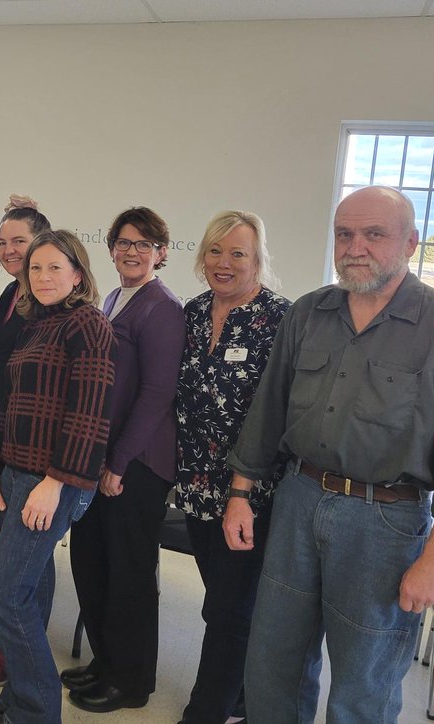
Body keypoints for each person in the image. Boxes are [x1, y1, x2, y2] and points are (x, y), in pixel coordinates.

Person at [225, 186, 434, 722]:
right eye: (345, 234)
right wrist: (240, 494)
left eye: (375, 234)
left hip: (385, 523)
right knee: (273, 658)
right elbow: (268, 412)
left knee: (363, 678)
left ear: (411, 243)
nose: (356, 247)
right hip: (299, 502)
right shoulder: (308, 314)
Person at [0, 229, 116, 724]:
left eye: (55, 267)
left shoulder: (87, 325)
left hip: (54, 480)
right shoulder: (36, 325)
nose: (43, 276)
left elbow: (90, 414)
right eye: (36, 268)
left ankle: (34, 712)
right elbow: (10, 408)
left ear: (78, 273)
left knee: (8, 594)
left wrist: (55, 482)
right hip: (14, 472)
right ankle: (17, 696)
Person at [65, 206, 185, 713]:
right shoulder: (115, 297)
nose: (132, 251)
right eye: (123, 242)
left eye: (144, 244)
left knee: (129, 573)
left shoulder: (162, 307)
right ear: (111, 248)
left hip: (135, 465)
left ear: (161, 253)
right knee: (93, 562)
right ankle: (106, 660)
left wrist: (117, 462)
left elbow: (158, 393)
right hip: (101, 458)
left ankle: (131, 681)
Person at [174, 211, 290, 724]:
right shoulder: (194, 312)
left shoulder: (279, 319)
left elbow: (280, 410)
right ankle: (240, 695)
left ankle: (208, 710)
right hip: (196, 486)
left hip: (250, 492)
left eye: (238, 253)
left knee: (229, 608)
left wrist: (243, 490)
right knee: (222, 599)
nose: (224, 263)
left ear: (258, 259)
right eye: (216, 252)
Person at [0, 197, 51, 690]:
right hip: (3, 445)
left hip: (34, 455)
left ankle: (17, 650)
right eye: (2, 242)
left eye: (19, 240)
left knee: (21, 567)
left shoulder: (48, 304)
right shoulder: (8, 297)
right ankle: (7, 635)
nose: (8, 250)